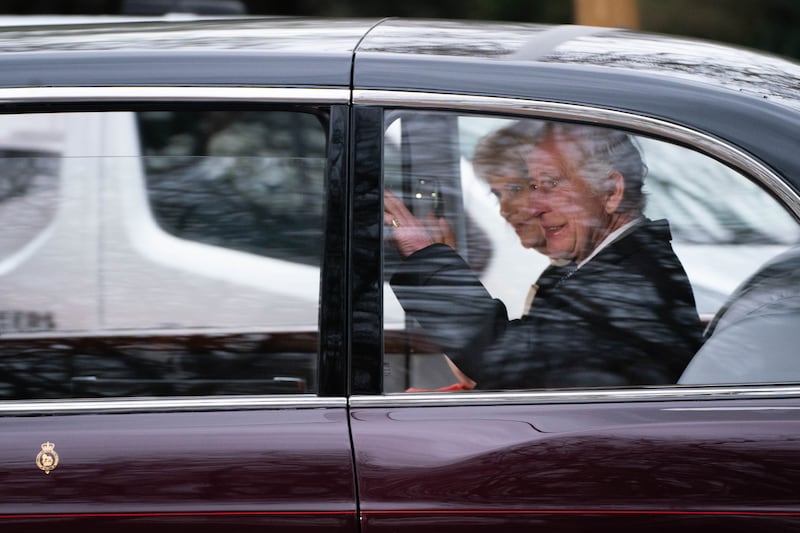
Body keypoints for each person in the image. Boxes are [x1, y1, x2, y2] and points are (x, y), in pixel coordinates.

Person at [384, 121, 704, 389]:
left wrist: (424, 255)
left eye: (550, 184)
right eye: (533, 186)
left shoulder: (627, 283)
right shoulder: (608, 268)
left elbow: (507, 360)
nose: (533, 207)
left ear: (611, 191)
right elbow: (533, 376)